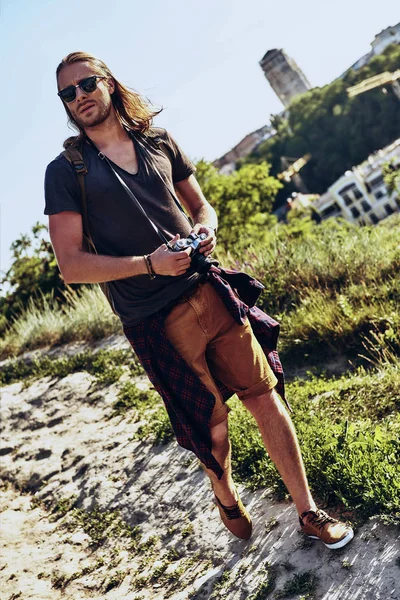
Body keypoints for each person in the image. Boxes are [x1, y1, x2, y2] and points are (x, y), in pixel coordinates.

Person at [44, 51, 354, 550]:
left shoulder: (158, 140)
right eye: (67, 93)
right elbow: (72, 265)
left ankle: (308, 511)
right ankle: (224, 491)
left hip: (209, 289)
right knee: (211, 428)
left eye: (86, 85)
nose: (79, 97)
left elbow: (200, 204)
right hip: (154, 318)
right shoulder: (66, 170)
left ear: (109, 84)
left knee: (264, 395)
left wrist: (206, 227)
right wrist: (149, 263)